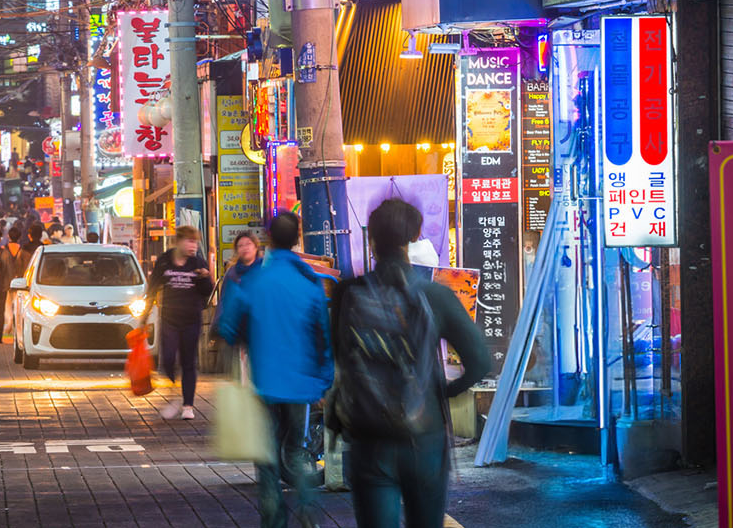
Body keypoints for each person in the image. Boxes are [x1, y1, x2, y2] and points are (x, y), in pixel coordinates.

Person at [331, 200, 491, 528]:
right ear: (414, 237)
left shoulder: (347, 294)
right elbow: (480, 362)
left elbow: (340, 360)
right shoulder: (436, 295)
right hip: (424, 436)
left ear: (371, 239)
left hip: (368, 436)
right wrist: (444, 391)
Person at [213, 211, 333, 528]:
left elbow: (226, 326)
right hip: (301, 384)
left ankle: (274, 521)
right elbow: (323, 337)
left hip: (263, 381)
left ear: (267, 239)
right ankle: (308, 509)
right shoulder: (311, 284)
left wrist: (246, 336)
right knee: (297, 451)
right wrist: (324, 382)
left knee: (266, 459)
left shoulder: (253, 281)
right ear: (296, 241)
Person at [149, 226, 216, 420]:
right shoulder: (165, 260)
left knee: (188, 362)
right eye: (189, 241)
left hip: (191, 320)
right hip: (170, 318)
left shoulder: (198, 263)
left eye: (195, 242)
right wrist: (145, 314)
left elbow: (207, 291)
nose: (193, 246)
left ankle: (188, 405)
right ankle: (172, 388)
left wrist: (205, 278)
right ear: (178, 242)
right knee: (168, 359)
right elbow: (154, 285)